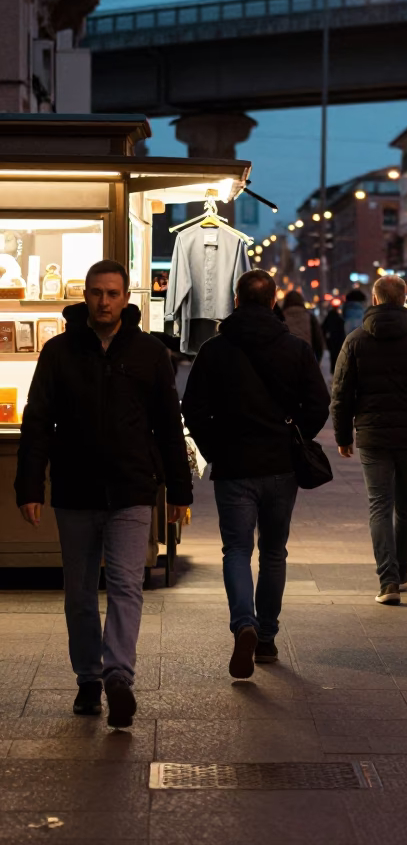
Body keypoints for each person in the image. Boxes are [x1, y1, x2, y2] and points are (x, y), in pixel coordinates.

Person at [16, 259, 191, 728]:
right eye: (96, 293)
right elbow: (37, 423)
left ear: (126, 298)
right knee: (78, 592)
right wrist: (29, 485)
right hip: (75, 490)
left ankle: (118, 676)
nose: (104, 301)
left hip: (132, 490)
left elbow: (168, 427)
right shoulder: (59, 352)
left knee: (126, 586)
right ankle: (88, 679)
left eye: (112, 293)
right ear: (85, 295)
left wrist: (179, 489)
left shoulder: (150, 354)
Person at [182, 269, 330, 677]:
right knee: (274, 551)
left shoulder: (215, 350)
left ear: (236, 299)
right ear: (273, 300)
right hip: (281, 466)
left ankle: (242, 623)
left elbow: (192, 407)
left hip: (233, 466)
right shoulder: (295, 348)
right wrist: (295, 436)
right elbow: (319, 404)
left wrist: (215, 447)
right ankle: (265, 636)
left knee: (236, 550)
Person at [330, 274, 407, 605]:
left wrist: (343, 435)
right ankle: (402, 570)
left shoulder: (356, 340)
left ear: (375, 299)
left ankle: (388, 581)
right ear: (405, 298)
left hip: (372, 435)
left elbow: (340, 393)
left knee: (379, 504)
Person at [281, 290, 325, 363]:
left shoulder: (280, 318)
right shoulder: (310, 317)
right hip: (306, 358)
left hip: (285, 359)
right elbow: (318, 341)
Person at [321, 303, 346, 374]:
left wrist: (325, 337)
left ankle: (333, 370)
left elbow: (323, 328)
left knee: (332, 355)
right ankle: (338, 370)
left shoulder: (329, 317)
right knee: (338, 355)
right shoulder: (339, 318)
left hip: (331, 340)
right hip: (339, 339)